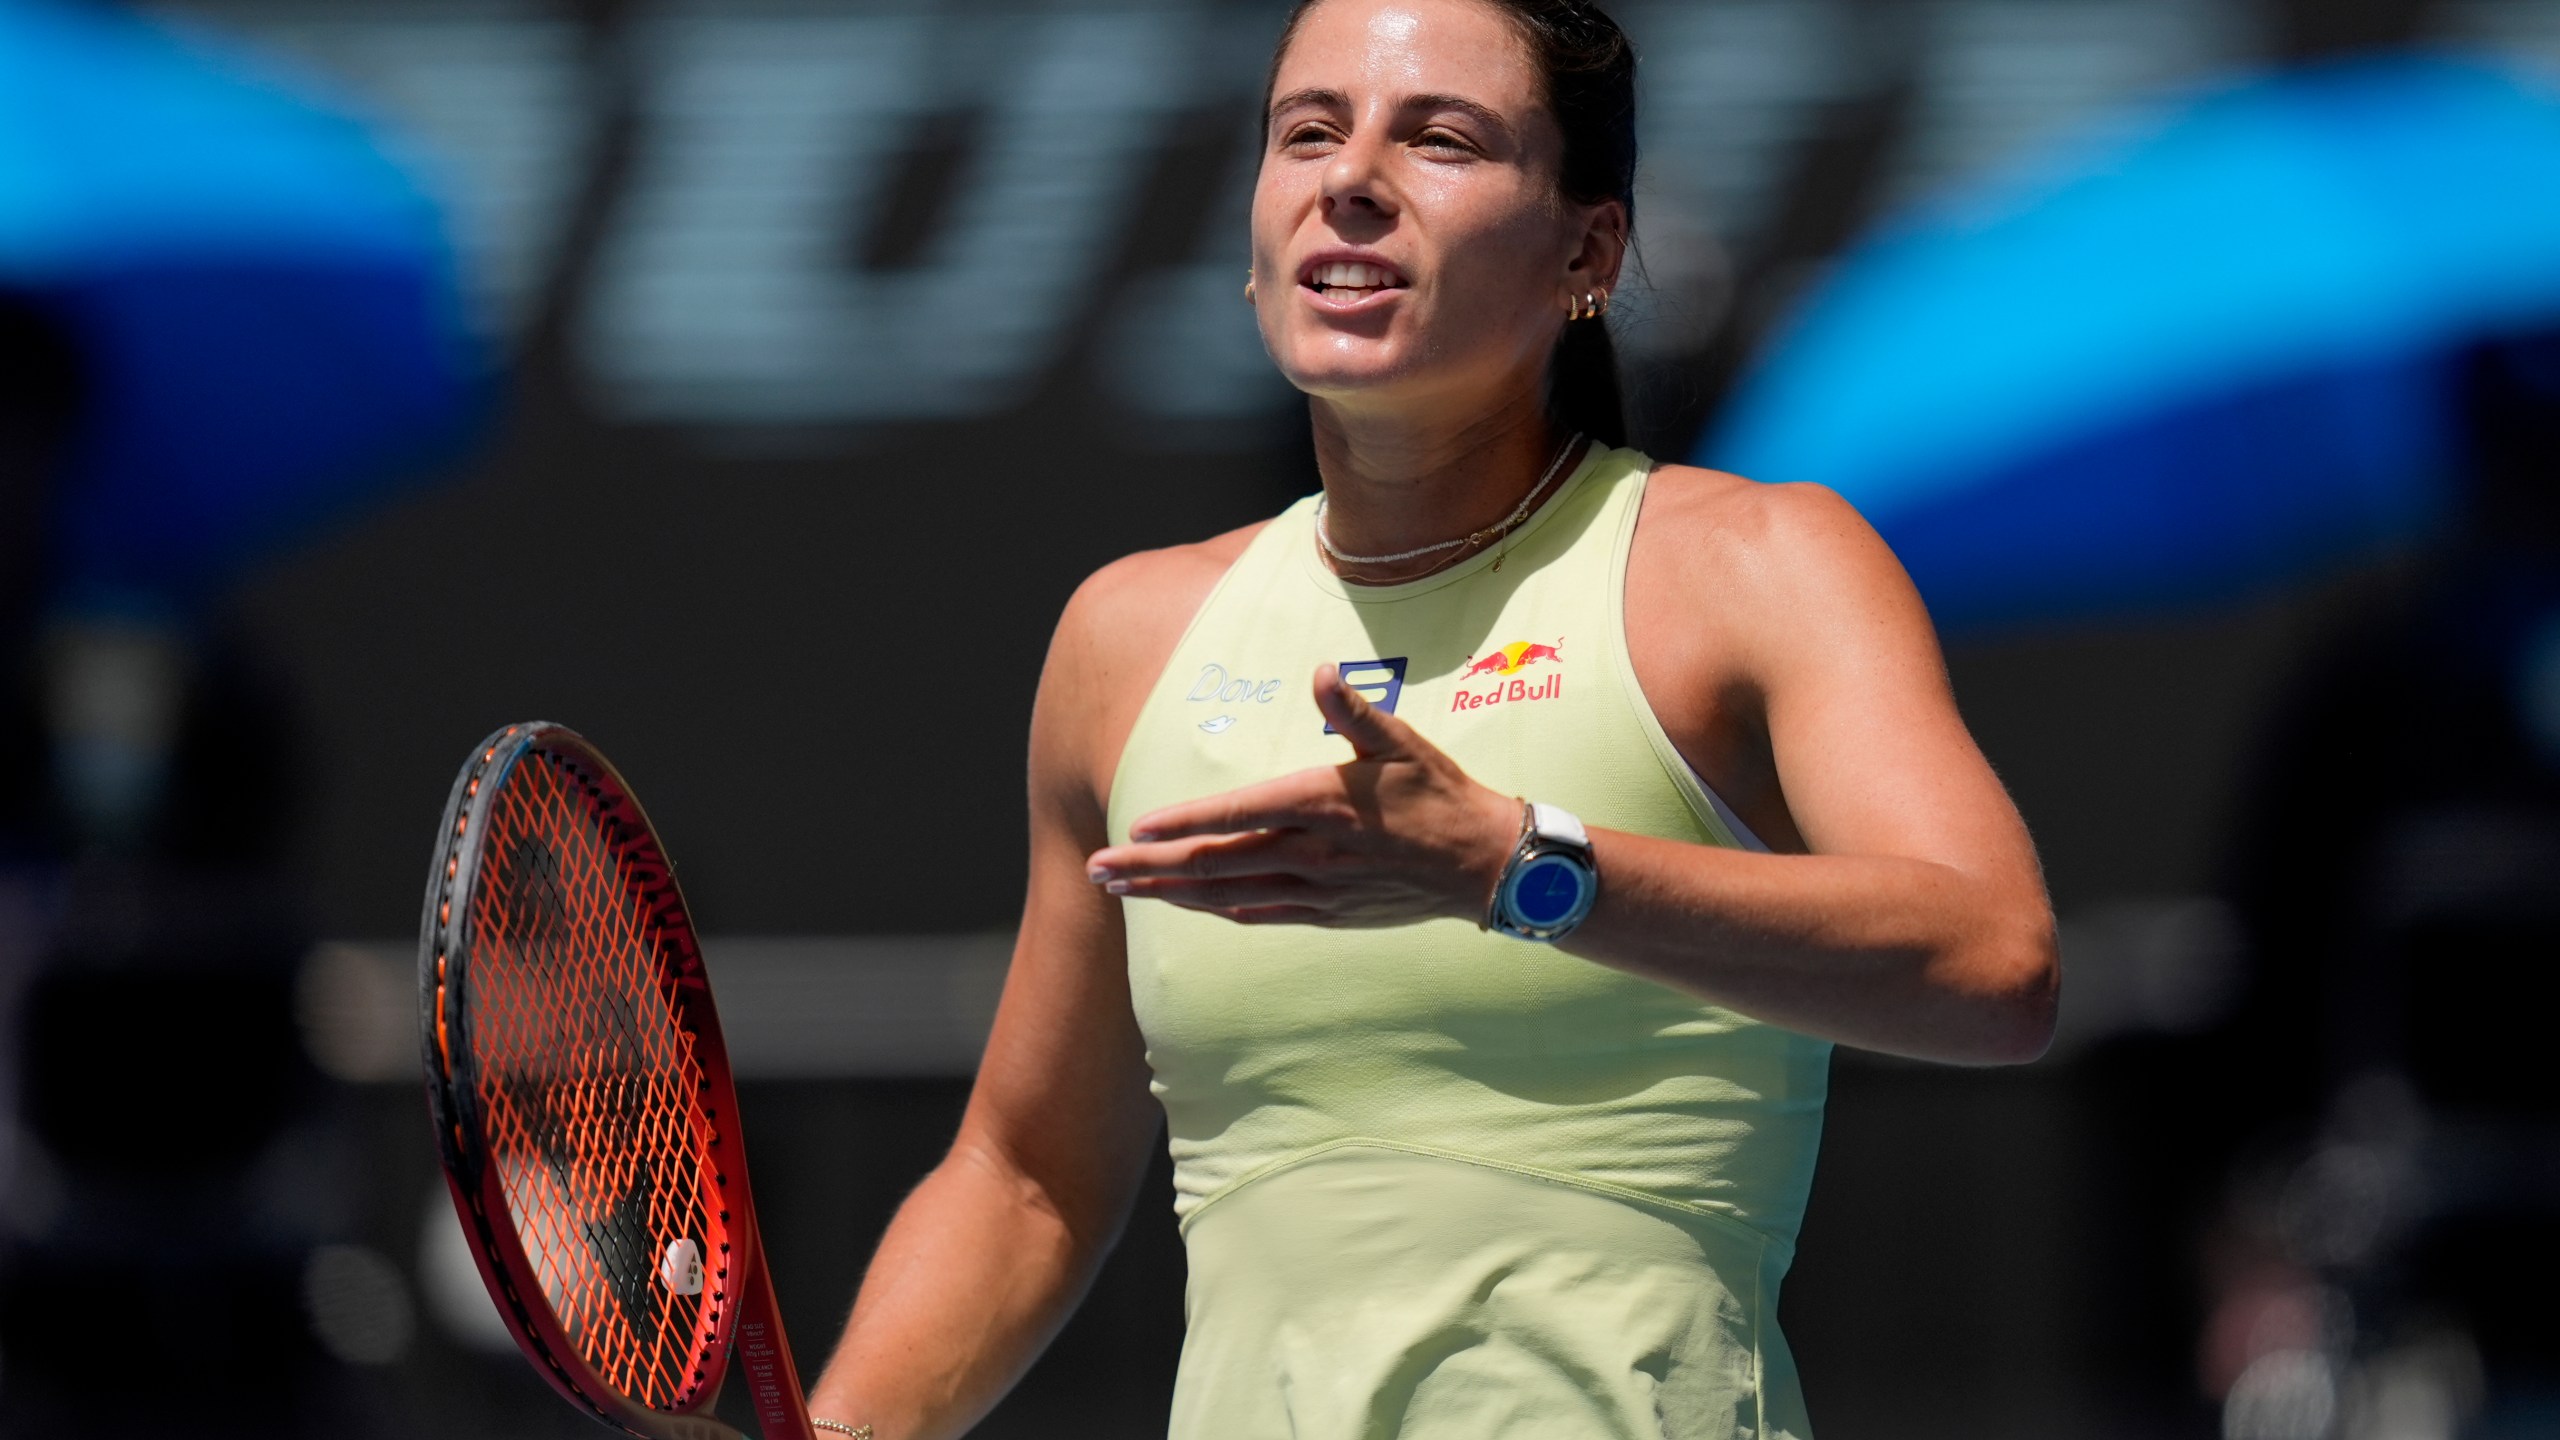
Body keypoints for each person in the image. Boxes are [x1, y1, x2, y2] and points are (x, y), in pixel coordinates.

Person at [808, 1, 2056, 1434]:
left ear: (1587, 251)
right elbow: (1027, 1177)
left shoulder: (1753, 570)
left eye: (1441, 137)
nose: (1351, 178)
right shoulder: (1129, 639)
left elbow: (1997, 962)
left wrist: (1517, 865)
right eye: (1308, 132)